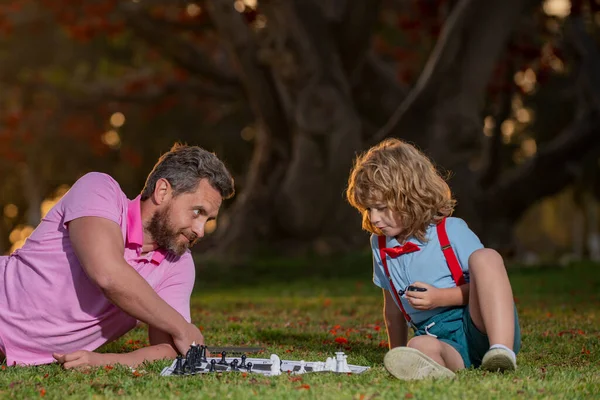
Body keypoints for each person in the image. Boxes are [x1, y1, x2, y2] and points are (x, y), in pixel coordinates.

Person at [0, 144, 234, 368]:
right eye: (197, 212)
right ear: (163, 191)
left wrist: (106, 361)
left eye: (208, 219)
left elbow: (170, 347)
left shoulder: (178, 264)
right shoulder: (98, 190)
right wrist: (183, 327)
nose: (200, 230)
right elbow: (107, 274)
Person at [346, 138, 520, 380]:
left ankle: (501, 352)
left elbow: (488, 288)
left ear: (411, 196)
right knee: (418, 348)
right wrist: (396, 354)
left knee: (486, 257)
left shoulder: (451, 231)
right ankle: (441, 371)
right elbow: (393, 309)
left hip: (480, 326)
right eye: (368, 210)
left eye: (382, 207)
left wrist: (439, 297)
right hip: (438, 338)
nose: (374, 218)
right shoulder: (380, 245)